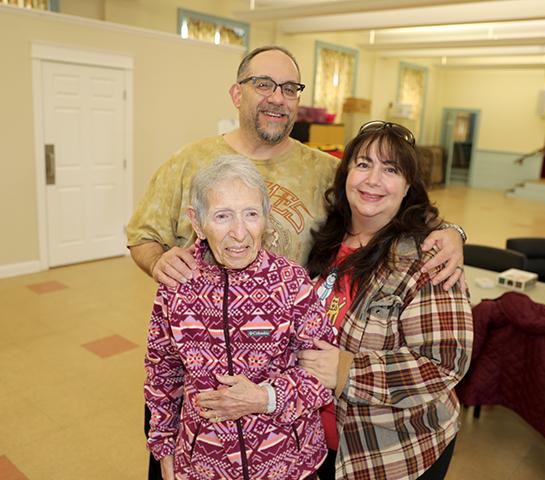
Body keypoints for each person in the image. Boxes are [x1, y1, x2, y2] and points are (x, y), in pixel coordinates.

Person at [127, 45, 467, 479]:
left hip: (288, 401)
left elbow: (381, 203)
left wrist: (451, 233)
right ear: (237, 93)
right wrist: (160, 264)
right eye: (263, 84)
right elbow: (142, 237)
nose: (276, 97)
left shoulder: (324, 170)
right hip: (202, 376)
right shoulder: (188, 162)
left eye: (289, 88)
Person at [296, 121, 474, 480]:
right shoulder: (324, 237)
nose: (373, 180)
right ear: (345, 173)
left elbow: (445, 362)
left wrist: (346, 370)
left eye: (391, 169)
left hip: (391, 454)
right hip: (317, 444)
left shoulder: (427, 259)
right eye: (363, 164)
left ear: (408, 185)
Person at [144, 156, 335, 480]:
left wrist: (265, 398)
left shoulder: (292, 283)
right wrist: (163, 445)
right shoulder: (177, 286)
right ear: (197, 222)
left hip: (289, 465)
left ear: (266, 217)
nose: (239, 233)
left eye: (251, 214)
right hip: (203, 464)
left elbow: (324, 376)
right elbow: (162, 372)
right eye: (222, 216)